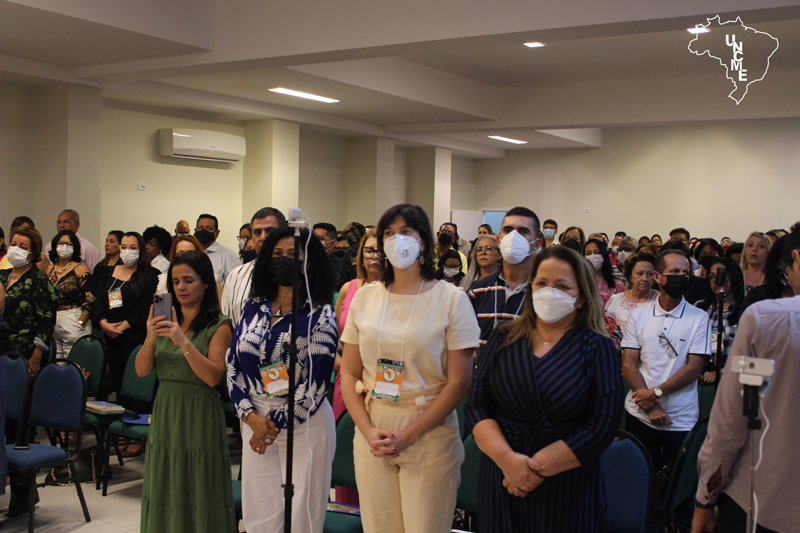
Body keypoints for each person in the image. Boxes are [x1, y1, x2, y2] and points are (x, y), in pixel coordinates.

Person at [340, 203, 479, 533]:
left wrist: (410, 434)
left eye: (406, 232)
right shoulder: (365, 297)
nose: (396, 239)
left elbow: (460, 382)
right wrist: (366, 429)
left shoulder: (451, 299)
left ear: (423, 242)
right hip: (373, 426)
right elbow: (349, 373)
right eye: (389, 233)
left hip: (428, 428)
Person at [466, 245, 622, 532]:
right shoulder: (502, 337)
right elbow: (477, 406)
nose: (550, 292)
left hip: (566, 482)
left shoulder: (598, 348)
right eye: (542, 283)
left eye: (562, 286)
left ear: (581, 297)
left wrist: (530, 470)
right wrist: (508, 461)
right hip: (502, 474)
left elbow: (602, 427)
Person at [227, 227, 337, 533]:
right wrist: (250, 416)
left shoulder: (321, 314)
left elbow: (316, 384)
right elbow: (232, 363)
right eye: (277, 254)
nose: (284, 260)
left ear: (308, 262)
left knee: (302, 517)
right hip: (255, 421)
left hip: (304, 424)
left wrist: (271, 426)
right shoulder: (253, 306)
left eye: (292, 254)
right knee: (259, 514)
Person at [691, 222, 800, 533]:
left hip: (765, 503)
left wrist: (704, 500)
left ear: (796, 258)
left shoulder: (768, 320)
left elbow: (732, 421)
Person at [137, 251, 235, 533]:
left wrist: (182, 340)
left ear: (205, 283)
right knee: (164, 481)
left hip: (199, 411)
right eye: (176, 281)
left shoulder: (220, 324)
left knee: (199, 483)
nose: (181, 287)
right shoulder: (163, 319)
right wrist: (150, 336)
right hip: (166, 407)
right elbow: (142, 370)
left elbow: (213, 377)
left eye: (189, 280)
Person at [621, 250, 711, 470]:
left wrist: (655, 394)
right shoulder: (639, 314)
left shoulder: (699, 318)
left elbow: (694, 368)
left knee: (675, 477)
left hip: (679, 418)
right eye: (675, 271)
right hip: (639, 413)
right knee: (639, 474)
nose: (681, 276)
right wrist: (651, 406)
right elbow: (629, 364)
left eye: (685, 272)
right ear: (658, 277)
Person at [93, 231, 160, 392]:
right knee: (117, 383)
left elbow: (146, 306)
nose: (127, 251)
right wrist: (104, 324)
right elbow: (99, 301)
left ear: (141, 249)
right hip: (111, 337)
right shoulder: (108, 272)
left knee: (133, 385)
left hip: (135, 338)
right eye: (123, 247)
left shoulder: (151, 275)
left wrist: (123, 326)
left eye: (132, 247)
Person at [469, 207, 541, 352]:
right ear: (499, 241)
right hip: (484, 367)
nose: (514, 237)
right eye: (508, 230)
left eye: (523, 231)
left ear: (537, 244)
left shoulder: (543, 292)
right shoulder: (478, 290)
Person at [334, 230, 384, 421]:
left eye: (381, 251)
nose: (375, 256)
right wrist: (342, 364)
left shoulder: (397, 292)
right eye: (369, 250)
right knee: (344, 431)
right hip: (349, 374)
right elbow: (331, 336)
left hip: (383, 375)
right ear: (361, 256)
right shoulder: (348, 288)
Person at [0, 226, 57, 373]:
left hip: (22, 352)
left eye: (22, 247)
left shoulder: (39, 280)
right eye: (13, 244)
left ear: (32, 254)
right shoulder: (2, 276)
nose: (15, 249)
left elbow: (47, 321)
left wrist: (36, 357)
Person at [221, 207, 286, 327]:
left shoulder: (298, 276)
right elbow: (228, 323)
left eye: (270, 231)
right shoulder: (236, 276)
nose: (262, 237)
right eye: (257, 232)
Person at [47, 230, 96, 358]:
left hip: (73, 316)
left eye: (69, 244)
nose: (64, 247)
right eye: (61, 243)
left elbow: (91, 298)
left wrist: (81, 322)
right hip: (54, 319)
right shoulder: (50, 269)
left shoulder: (80, 269)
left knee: (75, 361)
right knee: (57, 362)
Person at [694, 257, 744, 383]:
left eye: (721, 275)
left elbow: (748, 351)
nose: (715, 280)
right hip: (702, 376)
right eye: (712, 276)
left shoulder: (745, 309)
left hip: (734, 377)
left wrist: (722, 372)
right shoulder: (700, 307)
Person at [604, 252, 659, 346]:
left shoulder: (660, 301)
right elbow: (608, 332)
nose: (645, 278)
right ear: (630, 276)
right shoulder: (616, 300)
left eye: (649, 274)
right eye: (640, 273)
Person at [739, 236, 794, 317]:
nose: (754, 249)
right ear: (779, 262)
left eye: (761, 246)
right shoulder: (758, 296)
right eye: (792, 260)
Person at [194, 214, 240, 287]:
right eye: (201, 227)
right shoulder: (190, 253)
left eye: (209, 228)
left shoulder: (228, 256)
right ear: (195, 231)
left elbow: (236, 285)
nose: (204, 230)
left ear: (217, 233)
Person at [582, 238, 624, 306]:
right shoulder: (578, 282)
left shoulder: (617, 285)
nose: (593, 256)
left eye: (597, 252)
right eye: (589, 253)